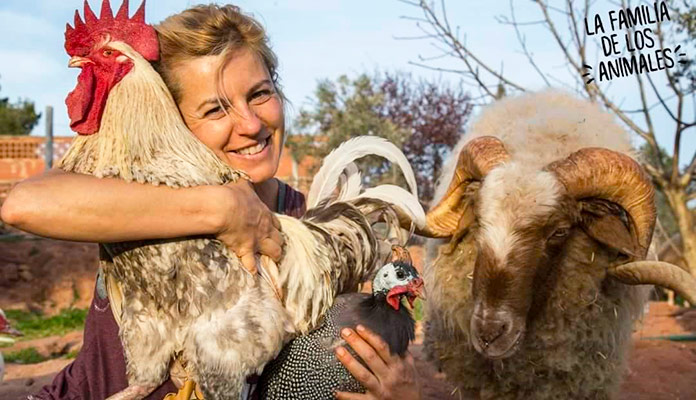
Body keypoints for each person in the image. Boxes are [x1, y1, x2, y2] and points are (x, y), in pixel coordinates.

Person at [1, 4, 421, 400]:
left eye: (259, 94)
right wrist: (224, 209)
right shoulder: (135, 191)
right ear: (173, 122)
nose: (252, 124)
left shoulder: (312, 234)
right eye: (215, 110)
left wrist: (401, 393)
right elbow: (24, 204)